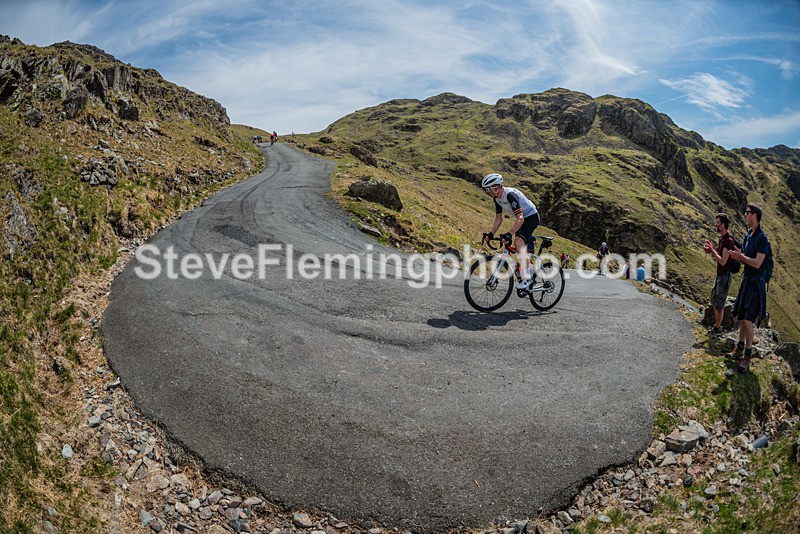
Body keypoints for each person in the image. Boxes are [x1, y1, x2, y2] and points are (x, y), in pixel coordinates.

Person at [480, 173, 540, 292]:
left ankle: (528, 277)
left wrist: (509, 233)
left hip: (531, 217)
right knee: (518, 246)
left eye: (488, 189)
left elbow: (521, 218)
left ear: (496, 187)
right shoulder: (496, 198)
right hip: (521, 218)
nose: (486, 192)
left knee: (518, 243)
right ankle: (530, 266)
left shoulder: (510, 195)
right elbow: (498, 218)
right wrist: (491, 233)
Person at [729, 203, 770, 373]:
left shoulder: (762, 238)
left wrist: (741, 257)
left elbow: (757, 263)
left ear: (754, 215)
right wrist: (738, 256)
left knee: (748, 319)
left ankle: (747, 356)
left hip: (756, 283)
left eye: (747, 213)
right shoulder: (748, 235)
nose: (745, 215)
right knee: (742, 315)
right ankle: (739, 348)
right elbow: (746, 258)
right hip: (747, 280)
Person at [702, 213, 735, 338]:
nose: (715, 225)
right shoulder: (722, 239)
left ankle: (717, 330)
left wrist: (712, 251)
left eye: (717, 223)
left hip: (724, 276)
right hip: (720, 275)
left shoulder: (728, 241)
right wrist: (712, 249)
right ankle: (717, 326)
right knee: (715, 302)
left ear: (723, 224)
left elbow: (723, 261)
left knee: (720, 305)